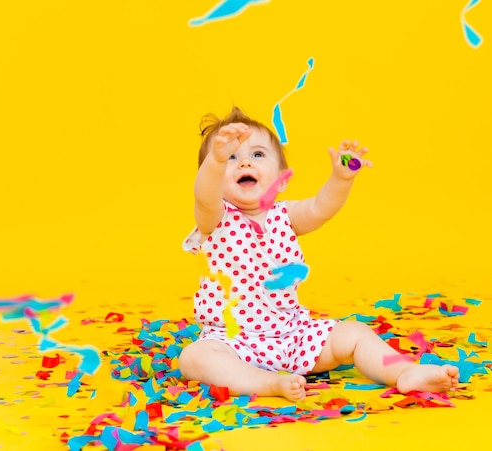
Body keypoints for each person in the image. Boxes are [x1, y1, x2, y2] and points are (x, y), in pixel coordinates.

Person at [179, 106, 459, 402]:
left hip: (294, 335)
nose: (244, 162)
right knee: (195, 358)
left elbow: (321, 208)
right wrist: (216, 160)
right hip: (233, 342)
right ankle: (266, 382)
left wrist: (341, 179)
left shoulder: (285, 215)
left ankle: (404, 373)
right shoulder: (216, 218)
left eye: (258, 155)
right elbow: (204, 195)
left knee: (353, 333)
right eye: (232, 157)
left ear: (282, 180)